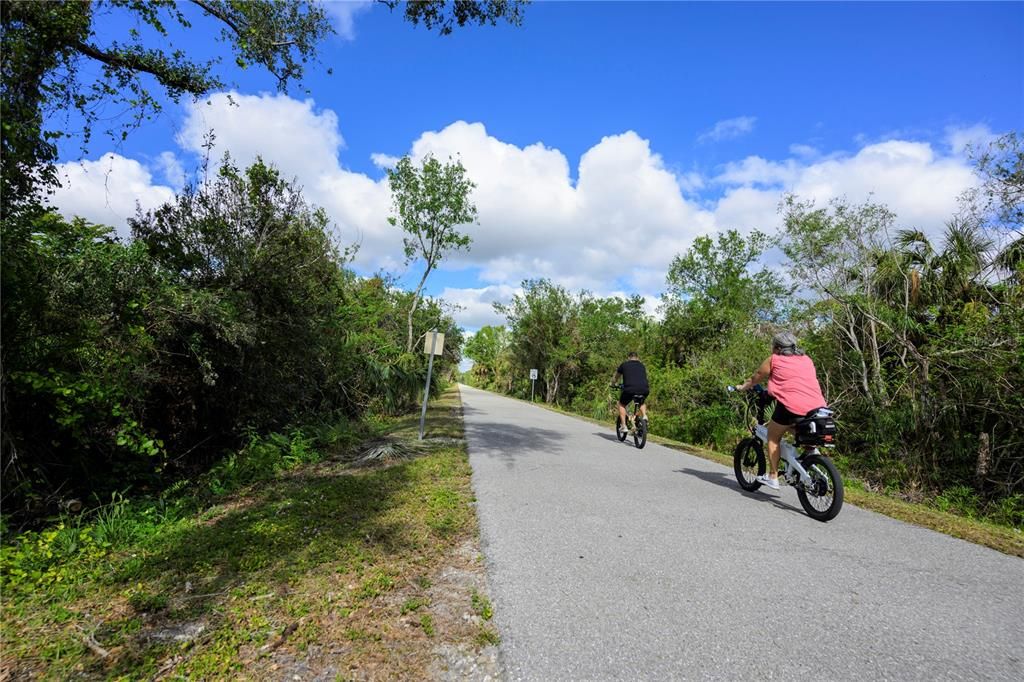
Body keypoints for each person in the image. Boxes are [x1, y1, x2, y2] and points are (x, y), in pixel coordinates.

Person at [734, 331, 827, 490]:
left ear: (777, 347)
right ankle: (811, 455)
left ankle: (773, 477)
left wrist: (742, 387)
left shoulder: (774, 360)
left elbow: (755, 377)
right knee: (797, 430)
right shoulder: (806, 359)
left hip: (790, 406)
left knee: (773, 436)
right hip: (818, 408)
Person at [612, 352, 650, 431]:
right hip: (644, 389)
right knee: (641, 402)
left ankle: (623, 426)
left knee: (621, 404)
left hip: (630, 389)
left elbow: (616, 377)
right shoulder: (642, 365)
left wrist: (613, 383)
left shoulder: (624, 365)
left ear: (628, 358)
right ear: (637, 358)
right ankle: (644, 416)